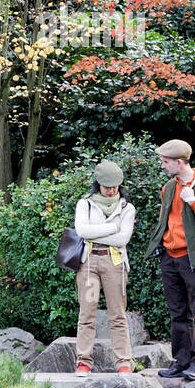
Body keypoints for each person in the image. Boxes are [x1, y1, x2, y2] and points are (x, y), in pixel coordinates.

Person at [146, 139, 195, 381]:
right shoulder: (169, 187)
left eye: (166, 162)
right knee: (178, 312)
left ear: (180, 162)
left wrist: (193, 201)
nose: (162, 166)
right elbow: (165, 220)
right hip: (171, 257)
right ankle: (181, 361)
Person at [72, 160, 137, 375]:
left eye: (115, 186)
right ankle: (83, 362)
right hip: (88, 262)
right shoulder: (85, 203)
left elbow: (123, 239)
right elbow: (82, 231)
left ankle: (123, 362)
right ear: (98, 184)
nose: (111, 191)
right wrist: (111, 228)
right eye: (107, 186)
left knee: (118, 314)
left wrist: (96, 232)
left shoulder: (127, 207)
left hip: (115, 263)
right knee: (87, 313)